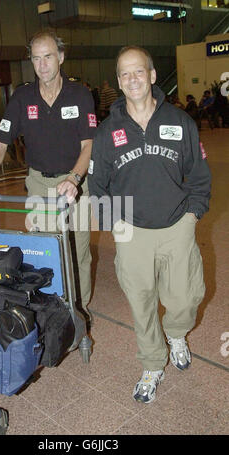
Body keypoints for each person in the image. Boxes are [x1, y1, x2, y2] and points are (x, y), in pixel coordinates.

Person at [88, 45, 211, 404]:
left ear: (153, 76)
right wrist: (117, 229)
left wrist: (192, 217)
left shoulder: (180, 122)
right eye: (125, 73)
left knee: (187, 297)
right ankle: (153, 363)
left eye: (138, 71)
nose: (132, 79)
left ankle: (176, 334)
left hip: (177, 226)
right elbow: (98, 188)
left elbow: (199, 176)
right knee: (141, 303)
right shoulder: (107, 132)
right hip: (132, 231)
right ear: (119, 81)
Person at [0, 30, 97, 322]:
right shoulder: (22, 97)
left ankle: (79, 309)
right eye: (36, 58)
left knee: (78, 250)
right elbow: (2, 141)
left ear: (61, 57)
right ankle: (53, 309)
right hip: (39, 182)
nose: (42, 65)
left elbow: (88, 144)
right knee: (46, 249)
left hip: (75, 182)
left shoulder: (79, 95)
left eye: (48, 57)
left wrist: (74, 179)